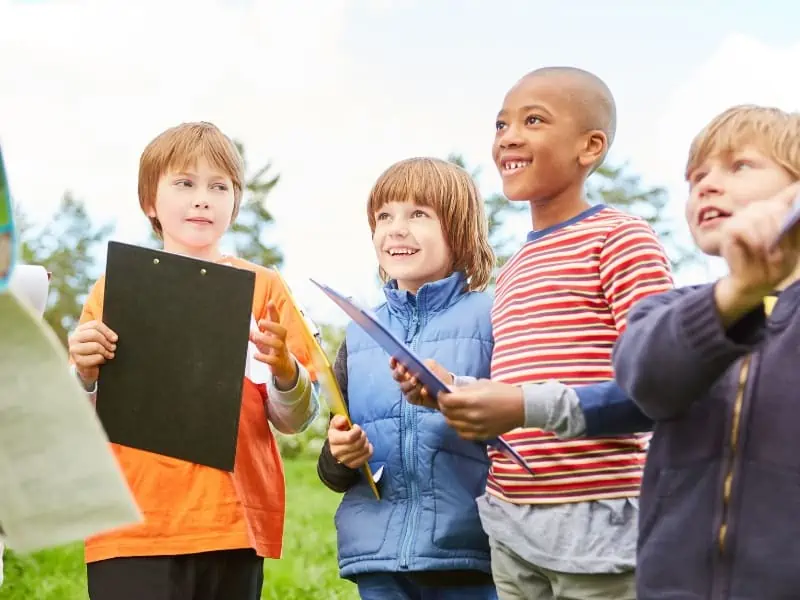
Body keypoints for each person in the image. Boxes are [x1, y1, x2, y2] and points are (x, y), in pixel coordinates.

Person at [396, 67, 672, 600]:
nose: (508, 136)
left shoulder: (622, 238)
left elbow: (657, 389)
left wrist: (521, 405)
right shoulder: (517, 266)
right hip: (514, 525)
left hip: (601, 528)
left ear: (589, 147)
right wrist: (453, 388)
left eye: (533, 120)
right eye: (500, 124)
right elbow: (521, 386)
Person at [67, 121, 320, 600]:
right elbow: (84, 420)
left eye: (218, 186)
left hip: (231, 524)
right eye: (184, 183)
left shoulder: (264, 289)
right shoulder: (116, 289)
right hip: (129, 525)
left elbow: (295, 419)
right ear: (150, 202)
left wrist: (286, 370)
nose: (202, 198)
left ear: (235, 202)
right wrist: (83, 373)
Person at [612, 105, 800, 599]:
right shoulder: (670, 308)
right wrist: (737, 295)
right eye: (695, 177)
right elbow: (647, 379)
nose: (706, 185)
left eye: (740, 165)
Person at [316, 157, 498, 600]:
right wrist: (342, 453)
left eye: (418, 214)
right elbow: (333, 470)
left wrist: (452, 396)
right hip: (378, 561)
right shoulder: (360, 334)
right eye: (384, 216)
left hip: (471, 558)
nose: (396, 229)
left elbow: (520, 428)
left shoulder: (494, 317)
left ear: (458, 229)